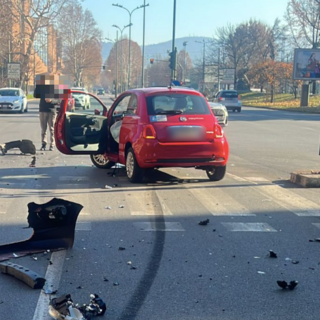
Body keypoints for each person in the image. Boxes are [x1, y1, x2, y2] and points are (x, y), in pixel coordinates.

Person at [33, 74, 61, 151]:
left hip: (51, 111)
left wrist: (52, 100)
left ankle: (52, 144)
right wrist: (37, 86)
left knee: (52, 129)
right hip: (42, 110)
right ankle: (43, 143)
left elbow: (59, 100)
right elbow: (35, 95)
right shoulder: (42, 88)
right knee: (43, 129)